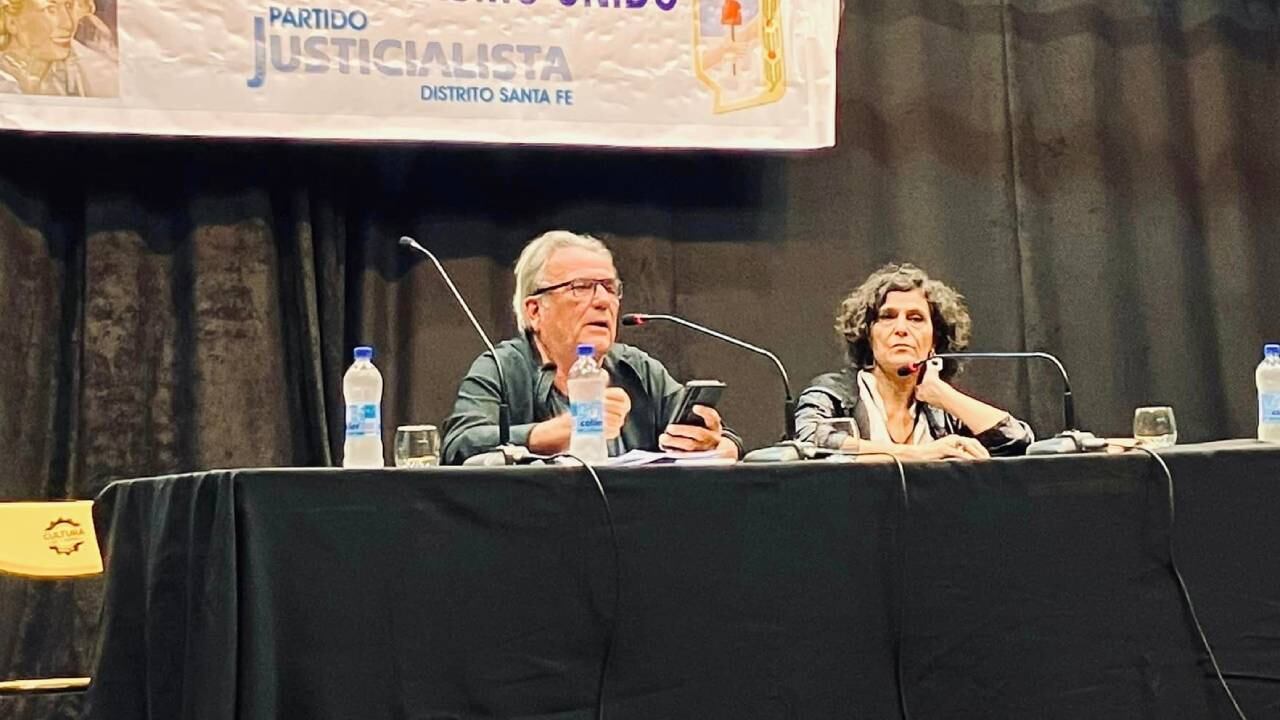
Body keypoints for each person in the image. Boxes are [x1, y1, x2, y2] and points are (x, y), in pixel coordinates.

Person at [441, 231, 742, 465]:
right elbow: (458, 445)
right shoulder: (502, 369)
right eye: (581, 287)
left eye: (609, 288)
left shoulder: (635, 369)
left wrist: (714, 443)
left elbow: (727, 442)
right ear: (534, 311)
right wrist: (561, 431)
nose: (602, 301)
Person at [795, 263, 1032, 460]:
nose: (901, 329)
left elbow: (1016, 443)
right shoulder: (834, 393)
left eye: (915, 318)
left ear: (934, 340)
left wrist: (941, 393)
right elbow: (811, 442)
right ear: (868, 335)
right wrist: (918, 455)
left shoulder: (942, 412)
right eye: (887, 317)